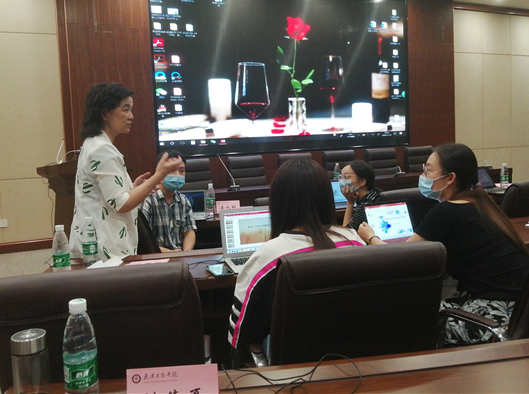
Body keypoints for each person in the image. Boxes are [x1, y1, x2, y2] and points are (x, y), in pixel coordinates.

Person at [357, 143, 529, 346]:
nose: (423, 175)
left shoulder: (448, 211)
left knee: (395, 313)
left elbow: (399, 259)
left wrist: (371, 237)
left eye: (428, 170)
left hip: (494, 319)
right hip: (525, 312)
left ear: (450, 178)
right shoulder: (483, 204)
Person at [229, 158, 365, 354]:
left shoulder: (268, 256)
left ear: (277, 203)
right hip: (356, 355)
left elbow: (240, 333)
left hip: (292, 365)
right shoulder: (354, 240)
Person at [70, 83, 183, 260]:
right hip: (105, 248)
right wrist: (159, 176)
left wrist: (133, 188)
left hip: (95, 242)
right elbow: (121, 204)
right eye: (125, 109)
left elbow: (108, 196)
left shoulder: (93, 143)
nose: (131, 116)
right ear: (105, 113)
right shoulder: (103, 149)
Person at [140, 150, 197, 252]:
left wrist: (186, 252)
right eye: (171, 170)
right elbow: (144, 240)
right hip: (156, 256)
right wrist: (171, 253)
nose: (177, 174)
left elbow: (189, 231)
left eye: (182, 171)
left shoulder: (183, 200)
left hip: (180, 255)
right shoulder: (147, 199)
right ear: (159, 171)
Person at [340, 160, 380, 230]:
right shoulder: (374, 194)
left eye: (346, 177)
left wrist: (350, 202)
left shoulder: (366, 205)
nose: (342, 181)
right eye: (341, 177)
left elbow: (347, 232)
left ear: (362, 181)